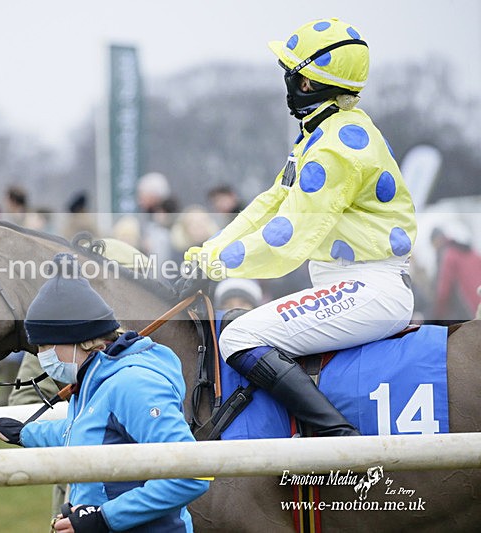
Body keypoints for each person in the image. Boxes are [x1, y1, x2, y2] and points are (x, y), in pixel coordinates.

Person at [178, 18, 416, 438]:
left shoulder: (335, 148)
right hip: (353, 284)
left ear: (308, 83)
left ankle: (336, 438)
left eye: (292, 72)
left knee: (239, 336)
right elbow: (270, 204)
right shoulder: (323, 133)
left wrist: (215, 264)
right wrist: (209, 250)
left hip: (369, 288)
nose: (286, 80)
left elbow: (287, 236)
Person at [0, 253, 209, 532]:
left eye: (45, 346)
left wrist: (103, 518)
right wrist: (24, 434)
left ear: (80, 340)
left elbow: (193, 474)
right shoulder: (94, 379)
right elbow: (87, 433)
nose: (42, 355)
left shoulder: (133, 384)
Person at [430, 222, 481, 322]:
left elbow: (443, 290)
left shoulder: (449, 255)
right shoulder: (473, 252)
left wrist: (437, 315)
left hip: (468, 310)